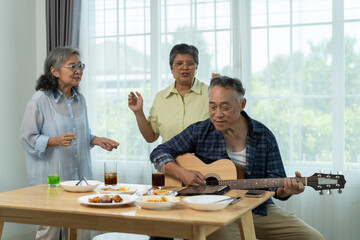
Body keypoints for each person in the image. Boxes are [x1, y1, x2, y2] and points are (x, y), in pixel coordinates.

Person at [150, 76, 325, 240]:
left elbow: (275, 184)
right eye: (212, 107)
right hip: (214, 211)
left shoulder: (263, 135)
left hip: (258, 210)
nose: (217, 114)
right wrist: (181, 173)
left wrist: (286, 190)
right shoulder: (200, 130)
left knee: (313, 237)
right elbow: (158, 153)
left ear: (242, 104)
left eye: (225, 107)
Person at [20, 46, 119, 240]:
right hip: (52, 183)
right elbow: (27, 138)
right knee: (50, 231)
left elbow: (80, 134)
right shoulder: (39, 100)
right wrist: (52, 141)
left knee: (80, 229)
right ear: (54, 71)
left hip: (79, 180)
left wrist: (95, 140)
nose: (78, 71)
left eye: (80, 66)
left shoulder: (79, 100)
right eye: (72, 66)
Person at [128, 43, 210, 144]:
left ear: (196, 67)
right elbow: (151, 137)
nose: (185, 67)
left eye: (190, 63)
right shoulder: (161, 98)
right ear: (171, 68)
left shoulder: (210, 93)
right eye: (179, 63)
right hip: (169, 158)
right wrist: (138, 112)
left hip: (201, 159)